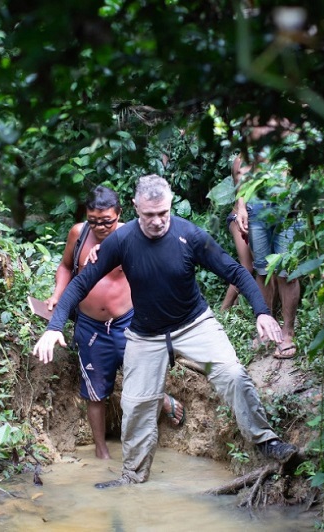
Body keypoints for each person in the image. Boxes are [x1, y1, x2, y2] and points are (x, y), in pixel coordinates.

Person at [34, 175, 298, 489]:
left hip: (194, 326)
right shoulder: (122, 240)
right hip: (145, 336)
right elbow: (80, 282)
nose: (158, 221)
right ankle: (132, 477)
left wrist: (263, 312)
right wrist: (53, 327)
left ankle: (267, 442)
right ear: (135, 208)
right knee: (135, 406)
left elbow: (235, 271)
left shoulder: (190, 235)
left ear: (170, 206)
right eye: (149, 215)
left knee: (231, 374)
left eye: (164, 213)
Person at [44, 185, 184, 460]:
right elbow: (64, 265)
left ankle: (162, 399)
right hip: (90, 325)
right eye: (94, 221)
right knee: (95, 392)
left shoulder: (133, 234)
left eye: (106, 221)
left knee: (142, 377)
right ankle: (101, 451)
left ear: (119, 214)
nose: (100, 227)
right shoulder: (78, 233)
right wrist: (57, 294)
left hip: (128, 321)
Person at [232, 116, 303, 359]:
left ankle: (288, 332)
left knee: (286, 273)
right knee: (263, 271)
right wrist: (241, 208)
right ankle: (267, 327)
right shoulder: (250, 117)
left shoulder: (284, 118)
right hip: (256, 210)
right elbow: (241, 170)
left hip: (286, 209)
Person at [219, 209, 255, 312]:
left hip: (255, 220)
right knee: (247, 266)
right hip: (238, 218)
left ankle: (236, 304)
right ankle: (224, 309)